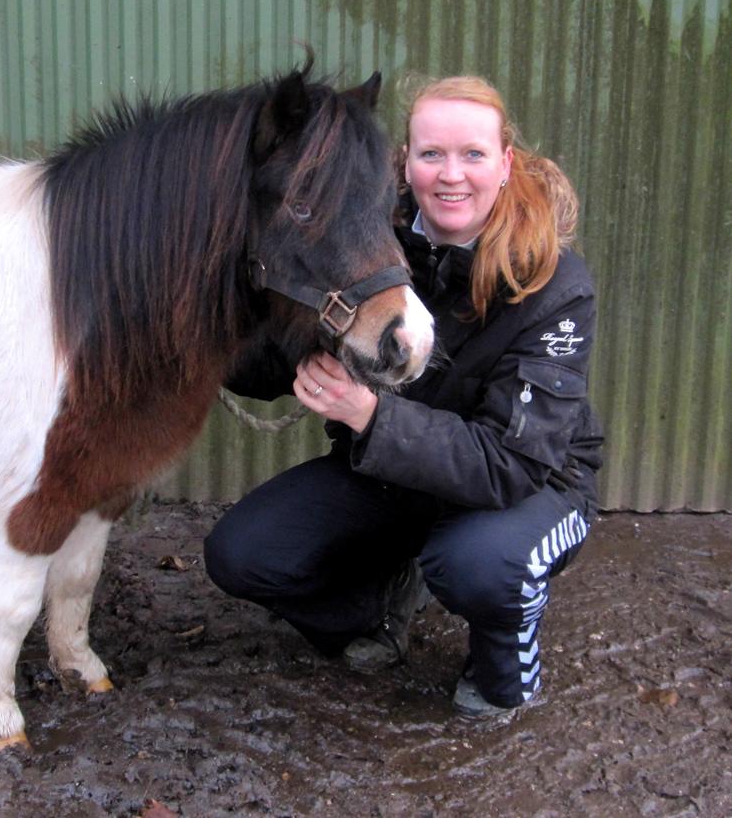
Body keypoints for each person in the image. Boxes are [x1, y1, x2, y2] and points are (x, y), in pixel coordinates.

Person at [204, 75, 604, 721]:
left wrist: (368, 414)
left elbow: (513, 463)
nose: (451, 175)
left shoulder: (555, 284)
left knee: (478, 565)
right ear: (405, 161)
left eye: (472, 154)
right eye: (431, 154)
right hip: (393, 473)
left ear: (504, 163)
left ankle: (505, 657)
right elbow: (267, 365)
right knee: (242, 554)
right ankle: (376, 607)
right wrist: (257, 344)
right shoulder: (366, 232)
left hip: (532, 485)